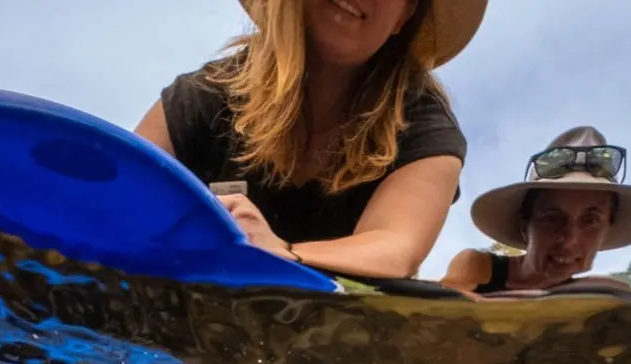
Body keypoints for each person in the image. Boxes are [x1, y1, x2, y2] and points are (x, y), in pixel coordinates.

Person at [134, 0, 489, 279]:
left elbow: (396, 249)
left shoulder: (426, 126)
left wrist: (280, 253)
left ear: (405, 15)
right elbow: (120, 203)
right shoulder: (202, 97)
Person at [440, 126, 631, 295]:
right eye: (552, 218)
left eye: (591, 221)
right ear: (525, 226)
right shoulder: (477, 266)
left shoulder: (600, 296)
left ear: (607, 229)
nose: (570, 240)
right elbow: (443, 307)